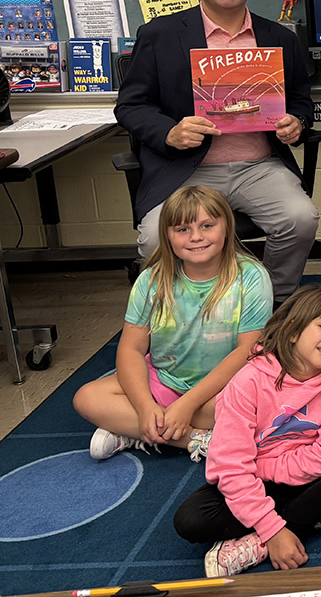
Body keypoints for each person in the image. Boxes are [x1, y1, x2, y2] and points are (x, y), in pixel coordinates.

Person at [115, 0, 317, 305]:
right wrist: (171, 132)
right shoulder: (160, 35)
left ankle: (269, 303)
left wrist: (297, 123)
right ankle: (183, 312)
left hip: (259, 166)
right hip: (186, 170)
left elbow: (303, 100)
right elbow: (130, 106)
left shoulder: (278, 38)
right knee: (155, 239)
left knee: (300, 219)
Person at [173, 287, 321, 576]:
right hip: (251, 478)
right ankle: (311, 517)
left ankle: (259, 543)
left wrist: (269, 524)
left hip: (297, 472)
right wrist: (273, 526)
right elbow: (231, 468)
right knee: (191, 519)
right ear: (293, 331)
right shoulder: (247, 382)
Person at [73, 186, 271, 460]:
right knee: (86, 398)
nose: (196, 237)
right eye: (182, 229)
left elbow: (246, 351)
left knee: (261, 404)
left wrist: (188, 404)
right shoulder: (151, 280)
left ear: (227, 227)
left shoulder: (251, 276)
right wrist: (143, 406)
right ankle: (195, 439)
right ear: (167, 235)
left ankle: (131, 428)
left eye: (207, 225)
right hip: (165, 381)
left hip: (225, 388)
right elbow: (131, 349)